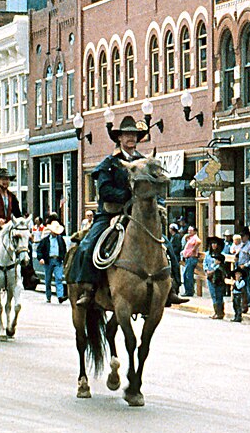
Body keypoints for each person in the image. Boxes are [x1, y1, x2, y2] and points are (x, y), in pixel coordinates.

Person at [71, 115, 187, 307]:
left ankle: (172, 288)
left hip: (139, 216)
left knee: (165, 245)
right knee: (87, 245)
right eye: (127, 135)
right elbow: (104, 190)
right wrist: (129, 195)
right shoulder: (109, 163)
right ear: (119, 138)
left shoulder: (145, 163)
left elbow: (156, 187)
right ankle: (88, 289)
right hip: (111, 214)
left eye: (134, 135)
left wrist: (158, 204)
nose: (131, 138)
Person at [37, 220, 67, 304]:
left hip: (58, 260)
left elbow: (64, 250)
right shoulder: (45, 240)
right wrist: (41, 258)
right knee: (48, 279)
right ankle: (48, 296)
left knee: (59, 278)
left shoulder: (60, 239)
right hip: (48, 260)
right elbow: (39, 250)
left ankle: (60, 296)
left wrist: (64, 259)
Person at [203, 237, 225, 319]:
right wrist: (206, 270)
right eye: (212, 244)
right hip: (209, 276)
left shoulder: (220, 255)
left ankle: (220, 312)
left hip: (218, 276)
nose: (214, 245)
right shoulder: (207, 254)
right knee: (213, 294)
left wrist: (213, 271)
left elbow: (220, 265)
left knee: (219, 294)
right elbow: (205, 263)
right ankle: (216, 312)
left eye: (215, 244)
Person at [181, 226, 202, 298]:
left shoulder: (195, 238)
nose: (189, 232)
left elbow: (199, 241)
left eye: (191, 230)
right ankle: (188, 290)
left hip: (191, 258)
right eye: (188, 230)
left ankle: (189, 291)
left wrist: (194, 249)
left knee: (188, 275)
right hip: (187, 258)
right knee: (185, 274)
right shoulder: (190, 238)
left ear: (195, 231)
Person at [211, 253, 228, 320]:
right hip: (221, 285)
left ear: (219, 261)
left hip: (219, 285)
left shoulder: (219, 269)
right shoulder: (223, 267)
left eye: (216, 260)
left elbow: (217, 278)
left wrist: (214, 282)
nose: (215, 261)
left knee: (218, 299)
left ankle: (219, 313)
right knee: (219, 299)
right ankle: (219, 312)